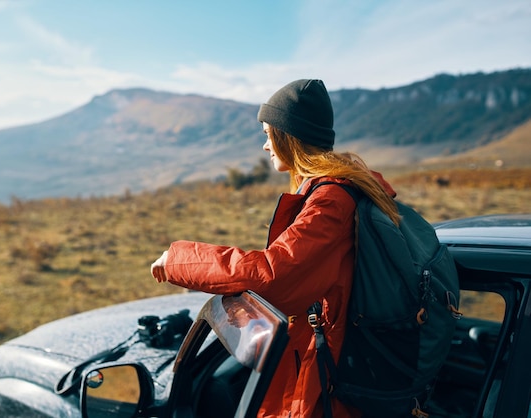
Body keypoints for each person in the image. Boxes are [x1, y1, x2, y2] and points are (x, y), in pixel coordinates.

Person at [150, 79, 400, 418]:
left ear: (289, 136)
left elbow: (274, 275)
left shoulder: (331, 201)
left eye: (269, 134)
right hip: (329, 360)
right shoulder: (340, 191)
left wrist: (178, 261)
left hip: (328, 375)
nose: (266, 145)